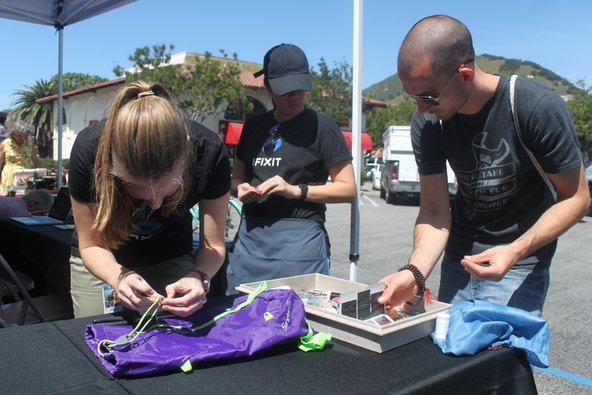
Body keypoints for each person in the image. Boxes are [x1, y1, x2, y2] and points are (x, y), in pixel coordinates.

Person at [379, 15, 590, 316]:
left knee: (503, 362)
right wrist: (415, 272)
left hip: (519, 264)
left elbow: (577, 197)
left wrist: (515, 250)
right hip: (459, 261)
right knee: (449, 359)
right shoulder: (429, 124)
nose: (421, 109)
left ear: (464, 75)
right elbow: (435, 211)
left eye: (428, 97)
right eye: (412, 96)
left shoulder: (534, 107)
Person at [68, 81, 231, 318]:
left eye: (167, 190)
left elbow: (213, 245)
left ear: (187, 162)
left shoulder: (209, 152)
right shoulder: (89, 150)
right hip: (102, 255)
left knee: (179, 333)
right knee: (99, 338)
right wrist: (118, 275)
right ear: (114, 168)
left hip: (170, 254)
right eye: (139, 191)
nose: (154, 205)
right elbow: (91, 244)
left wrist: (199, 276)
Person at [228, 43, 356, 293]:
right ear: (268, 86)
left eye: (300, 88)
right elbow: (236, 179)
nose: (295, 95)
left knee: (299, 322)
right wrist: (239, 189)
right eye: (286, 90)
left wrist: (295, 191)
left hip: (301, 241)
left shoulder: (323, 126)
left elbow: (348, 189)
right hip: (251, 239)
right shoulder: (254, 126)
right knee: (242, 316)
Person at [0, 120, 41, 194]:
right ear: (13, 134)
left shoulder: (29, 144)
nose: (21, 138)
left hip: (26, 177)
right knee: (8, 199)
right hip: (9, 177)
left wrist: (41, 173)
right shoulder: (5, 144)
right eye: (18, 135)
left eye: (23, 135)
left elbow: (35, 159)